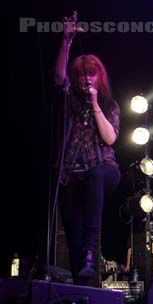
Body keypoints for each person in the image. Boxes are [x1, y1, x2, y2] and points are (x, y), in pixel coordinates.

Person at [53, 11, 120, 286]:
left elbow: (110, 138)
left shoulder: (108, 105)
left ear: (98, 77)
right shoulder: (70, 103)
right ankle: (83, 274)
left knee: (95, 175)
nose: (86, 80)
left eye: (91, 75)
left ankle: (92, 249)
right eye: (82, 75)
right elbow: (58, 78)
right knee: (73, 235)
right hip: (72, 175)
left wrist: (94, 104)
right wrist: (66, 42)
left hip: (104, 171)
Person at [125, 217, 153, 291]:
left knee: (150, 285)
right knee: (136, 286)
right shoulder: (134, 232)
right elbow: (130, 249)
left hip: (150, 262)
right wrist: (128, 264)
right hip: (137, 263)